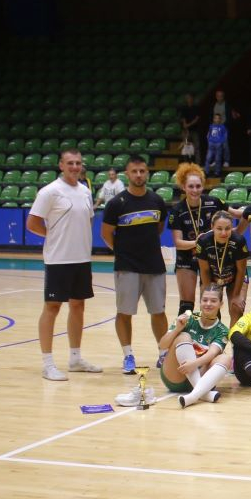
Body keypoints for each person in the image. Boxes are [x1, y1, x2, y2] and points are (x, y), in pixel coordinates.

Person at [26, 147, 101, 381]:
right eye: (70, 163)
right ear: (61, 165)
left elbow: (87, 221)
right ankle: (48, 364)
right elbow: (32, 223)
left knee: (78, 306)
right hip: (58, 259)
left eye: (78, 163)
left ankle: (75, 359)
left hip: (82, 259)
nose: (75, 167)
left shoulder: (85, 191)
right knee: (52, 307)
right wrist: (52, 236)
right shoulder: (50, 192)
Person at [101, 154, 169, 373]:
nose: (138, 175)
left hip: (154, 265)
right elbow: (106, 234)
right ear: (127, 174)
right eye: (134, 171)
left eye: (142, 171)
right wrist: (121, 252)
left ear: (147, 173)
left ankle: (163, 353)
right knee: (124, 312)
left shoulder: (157, 201)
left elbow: (159, 228)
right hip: (127, 266)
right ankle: (128, 355)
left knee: (158, 311)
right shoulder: (116, 204)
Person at [146, 285, 230, 409]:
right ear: (200, 301)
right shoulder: (188, 317)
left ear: (221, 304)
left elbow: (211, 354)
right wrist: (177, 329)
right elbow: (162, 345)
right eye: (205, 300)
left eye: (213, 301)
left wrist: (193, 364)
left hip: (201, 374)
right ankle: (203, 394)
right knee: (183, 336)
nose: (208, 304)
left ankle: (193, 395)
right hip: (176, 375)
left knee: (226, 358)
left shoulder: (222, 330)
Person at [167, 162, 224, 316]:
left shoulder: (213, 203)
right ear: (183, 187)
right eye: (190, 186)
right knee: (186, 306)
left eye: (198, 186)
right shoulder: (177, 210)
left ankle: (212, 331)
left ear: (203, 186)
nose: (195, 190)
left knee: (211, 303)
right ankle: (183, 332)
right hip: (186, 257)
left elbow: (234, 215)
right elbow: (178, 243)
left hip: (210, 257)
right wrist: (198, 242)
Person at [195, 211, 249, 325]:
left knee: (236, 309)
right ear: (212, 227)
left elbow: (241, 270)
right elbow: (204, 271)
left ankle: (235, 337)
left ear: (232, 227)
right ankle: (214, 335)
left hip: (235, 277)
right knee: (210, 310)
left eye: (227, 228)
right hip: (212, 277)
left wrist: (236, 296)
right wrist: (210, 294)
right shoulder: (203, 241)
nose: (224, 233)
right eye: (219, 228)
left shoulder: (239, 241)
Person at [204, 113, 228, 177]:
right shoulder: (211, 126)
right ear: (213, 119)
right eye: (215, 118)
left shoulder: (222, 127)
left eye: (218, 118)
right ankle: (206, 172)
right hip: (211, 144)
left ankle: (217, 173)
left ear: (220, 120)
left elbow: (225, 135)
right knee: (208, 158)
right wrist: (209, 140)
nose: (217, 120)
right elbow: (208, 134)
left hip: (218, 144)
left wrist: (221, 142)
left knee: (218, 159)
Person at [179, 93, 200, 159]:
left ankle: (197, 162)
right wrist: (185, 125)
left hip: (194, 130)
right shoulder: (184, 108)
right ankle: (186, 162)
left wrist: (189, 125)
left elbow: (197, 119)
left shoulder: (196, 107)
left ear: (192, 99)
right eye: (187, 98)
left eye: (190, 98)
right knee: (185, 146)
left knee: (197, 146)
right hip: (186, 131)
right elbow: (183, 118)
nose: (189, 99)